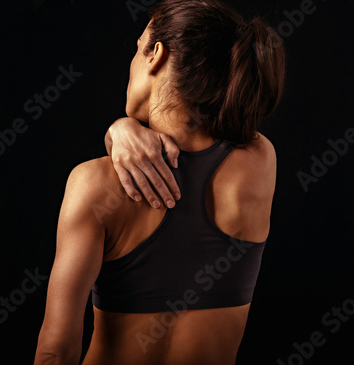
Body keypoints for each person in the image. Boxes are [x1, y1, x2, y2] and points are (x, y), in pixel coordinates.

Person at [34, 0, 285, 364]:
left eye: (138, 49)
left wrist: (118, 128)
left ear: (155, 55)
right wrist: (121, 130)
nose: (131, 63)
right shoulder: (260, 161)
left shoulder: (94, 183)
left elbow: (55, 352)